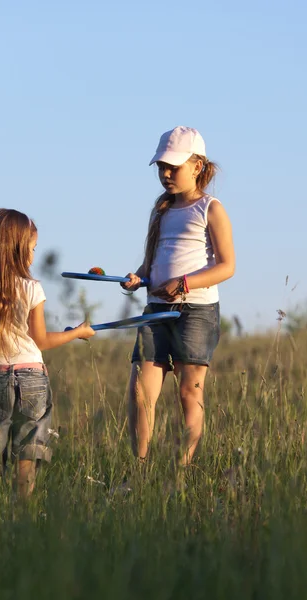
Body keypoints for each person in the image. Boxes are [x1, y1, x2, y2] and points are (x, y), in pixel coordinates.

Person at [0, 208, 94, 526]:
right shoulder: (31, 287)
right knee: (28, 454)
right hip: (34, 381)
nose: (34, 256)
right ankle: (22, 525)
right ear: (19, 248)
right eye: (33, 248)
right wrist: (76, 333)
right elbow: (40, 340)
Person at [122, 126, 235, 468]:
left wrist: (183, 284)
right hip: (156, 309)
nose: (166, 174)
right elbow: (151, 262)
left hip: (196, 312)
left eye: (174, 167)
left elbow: (227, 266)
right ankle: (140, 470)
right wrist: (138, 277)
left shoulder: (210, 208)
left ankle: (180, 471)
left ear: (197, 165)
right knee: (141, 391)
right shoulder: (161, 210)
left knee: (190, 392)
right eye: (161, 167)